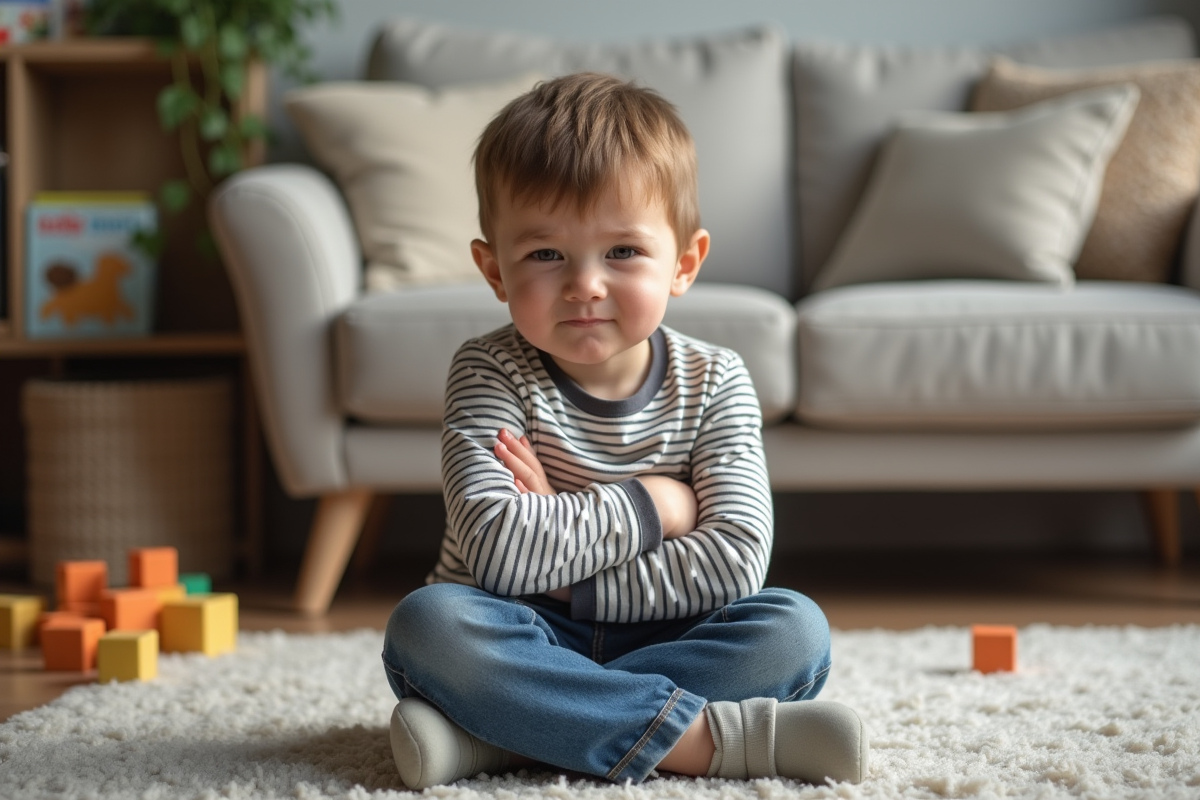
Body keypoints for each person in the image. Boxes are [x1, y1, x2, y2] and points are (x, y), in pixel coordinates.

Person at [380, 72, 868, 789]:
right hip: (521, 631)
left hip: (673, 634)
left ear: (686, 263)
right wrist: (657, 505)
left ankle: (509, 735)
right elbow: (496, 558)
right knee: (428, 625)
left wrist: (556, 544)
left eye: (623, 252)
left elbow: (735, 561)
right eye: (545, 254)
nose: (585, 284)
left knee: (793, 630)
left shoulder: (717, 380)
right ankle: (713, 743)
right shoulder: (488, 370)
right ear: (494, 270)